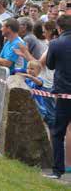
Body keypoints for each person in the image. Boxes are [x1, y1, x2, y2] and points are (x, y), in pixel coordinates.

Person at [43, 15, 71, 179]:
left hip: (63, 93)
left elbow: (50, 65)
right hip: (63, 91)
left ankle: (57, 170)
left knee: (58, 132)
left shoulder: (55, 43)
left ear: (59, 29)